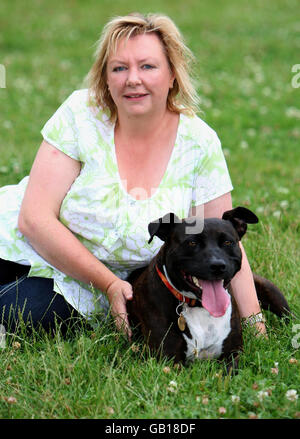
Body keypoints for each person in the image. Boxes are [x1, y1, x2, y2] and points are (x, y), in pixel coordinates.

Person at [0, 13, 266, 338]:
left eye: (147, 66)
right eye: (119, 68)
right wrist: (109, 283)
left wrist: (256, 326)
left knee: (28, 314)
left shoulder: (198, 142)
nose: (132, 79)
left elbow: (223, 237)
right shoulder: (81, 115)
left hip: (93, 285)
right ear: (106, 78)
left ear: (172, 75)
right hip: (26, 245)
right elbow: (34, 219)